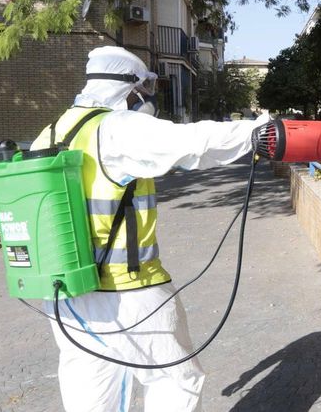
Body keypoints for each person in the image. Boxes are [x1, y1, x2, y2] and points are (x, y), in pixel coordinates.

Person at [29, 46, 265, 412]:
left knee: (90, 387)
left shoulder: (50, 132)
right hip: (130, 293)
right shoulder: (117, 128)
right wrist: (261, 132)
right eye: (146, 90)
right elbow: (195, 143)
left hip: (66, 294)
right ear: (130, 89)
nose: (148, 99)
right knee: (175, 381)